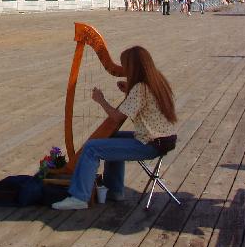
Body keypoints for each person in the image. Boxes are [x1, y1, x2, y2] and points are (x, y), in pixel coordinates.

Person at [52, 46, 177, 209]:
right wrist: (128, 92)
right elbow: (140, 105)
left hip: (150, 144)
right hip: (162, 139)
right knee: (111, 136)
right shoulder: (155, 80)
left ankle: (79, 197)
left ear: (133, 66)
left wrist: (101, 100)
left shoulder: (140, 88)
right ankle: (114, 190)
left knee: (91, 148)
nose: (122, 68)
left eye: (125, 65)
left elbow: (118, 116)